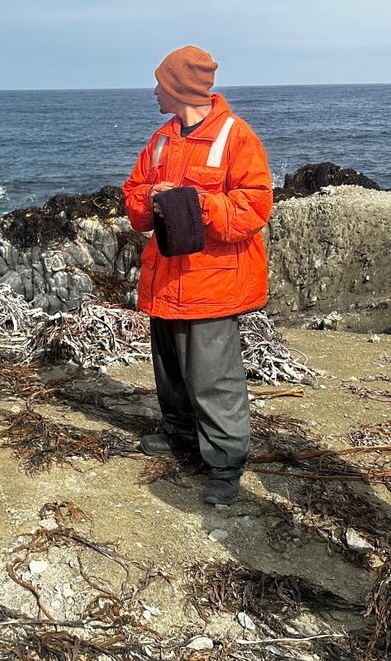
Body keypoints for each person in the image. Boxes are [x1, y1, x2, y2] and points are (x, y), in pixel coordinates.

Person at [121, 45, 274, 505]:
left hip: (213, 284)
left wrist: (192, 201)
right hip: (166, 278)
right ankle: (181, 434)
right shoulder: (163, 138)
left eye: (160, 84)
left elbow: (254, 209)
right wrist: (151, 199)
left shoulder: (236, 137)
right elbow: (132, 195)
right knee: (169, 370)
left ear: (177, 88)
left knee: (213, 377)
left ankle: (225, 465)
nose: (153, 91)